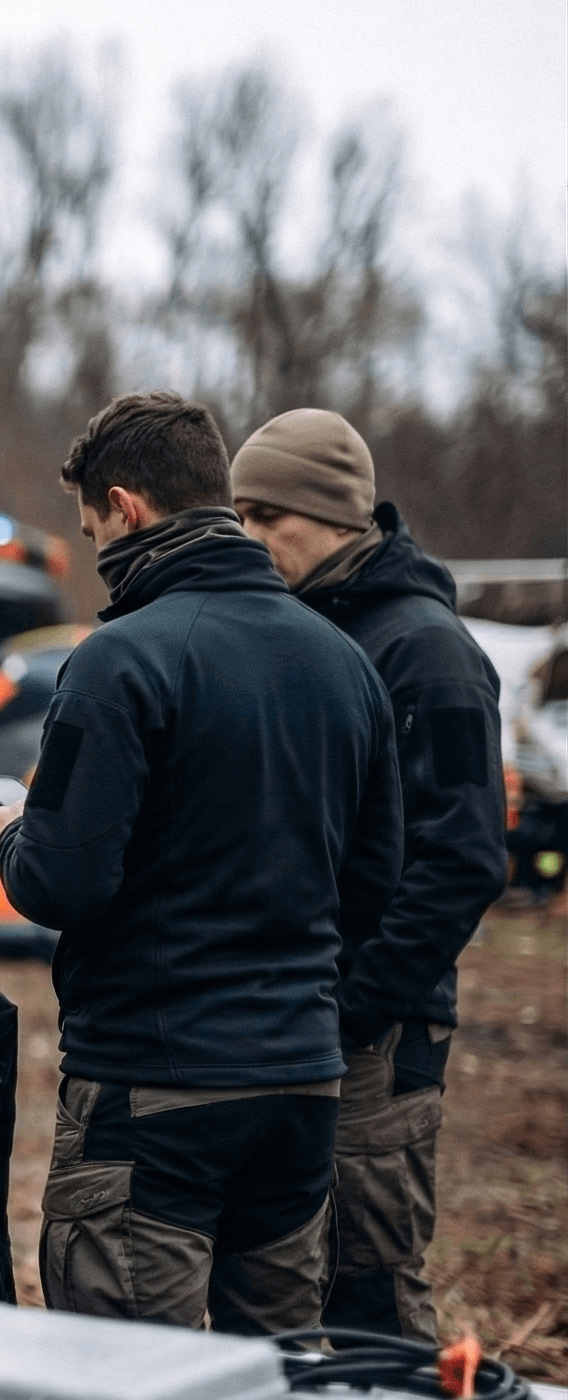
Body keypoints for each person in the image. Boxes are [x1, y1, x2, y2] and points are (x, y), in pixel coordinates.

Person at [0, 391, 402, 1335]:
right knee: (276, 1382)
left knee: (133, 1393)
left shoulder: (118, 661)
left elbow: (62, 882)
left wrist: (14, 829)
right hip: (301, 1086)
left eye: (94, 528)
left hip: (153, 1086)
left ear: (127, 508)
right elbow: (374, 882)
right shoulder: (346, 665)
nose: (99, 552)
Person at [231, 409, 508, 1343]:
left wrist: (355, 1005)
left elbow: (466, 859)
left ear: (342, 516)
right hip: (295, 1021)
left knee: (369, 1287)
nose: (252, 537)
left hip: (376, 1031)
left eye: (272, 516)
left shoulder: (427, 654)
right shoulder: (299, 631)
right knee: (286, 1284)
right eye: (240, 515)